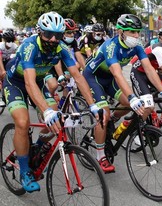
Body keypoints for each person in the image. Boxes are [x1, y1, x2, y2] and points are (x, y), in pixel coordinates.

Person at [2, 11, 105, 193]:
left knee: (57, 118)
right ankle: (25, 171)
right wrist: (45, 111)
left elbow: (78, 78)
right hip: (17, 82)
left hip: (39, 82)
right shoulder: (29, 46)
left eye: (57, 35)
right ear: (40, 32)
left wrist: (93, 105)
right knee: (23, 122)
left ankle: (38, 147)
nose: (52, 39)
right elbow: (28, 82)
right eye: (48, 34)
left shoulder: (62, 49)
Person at [83, 14, 162, 173]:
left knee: (127, 105)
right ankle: (100, 156)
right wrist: (132, 97)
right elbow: (118, 74)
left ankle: (113, 119)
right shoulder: (111, 46)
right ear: (120, 31)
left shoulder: (137, 46)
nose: (136, 36)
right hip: (93, 78)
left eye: (138, 32)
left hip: (109, 78)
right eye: (132, 32)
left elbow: (149, 69)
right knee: (104, 114)